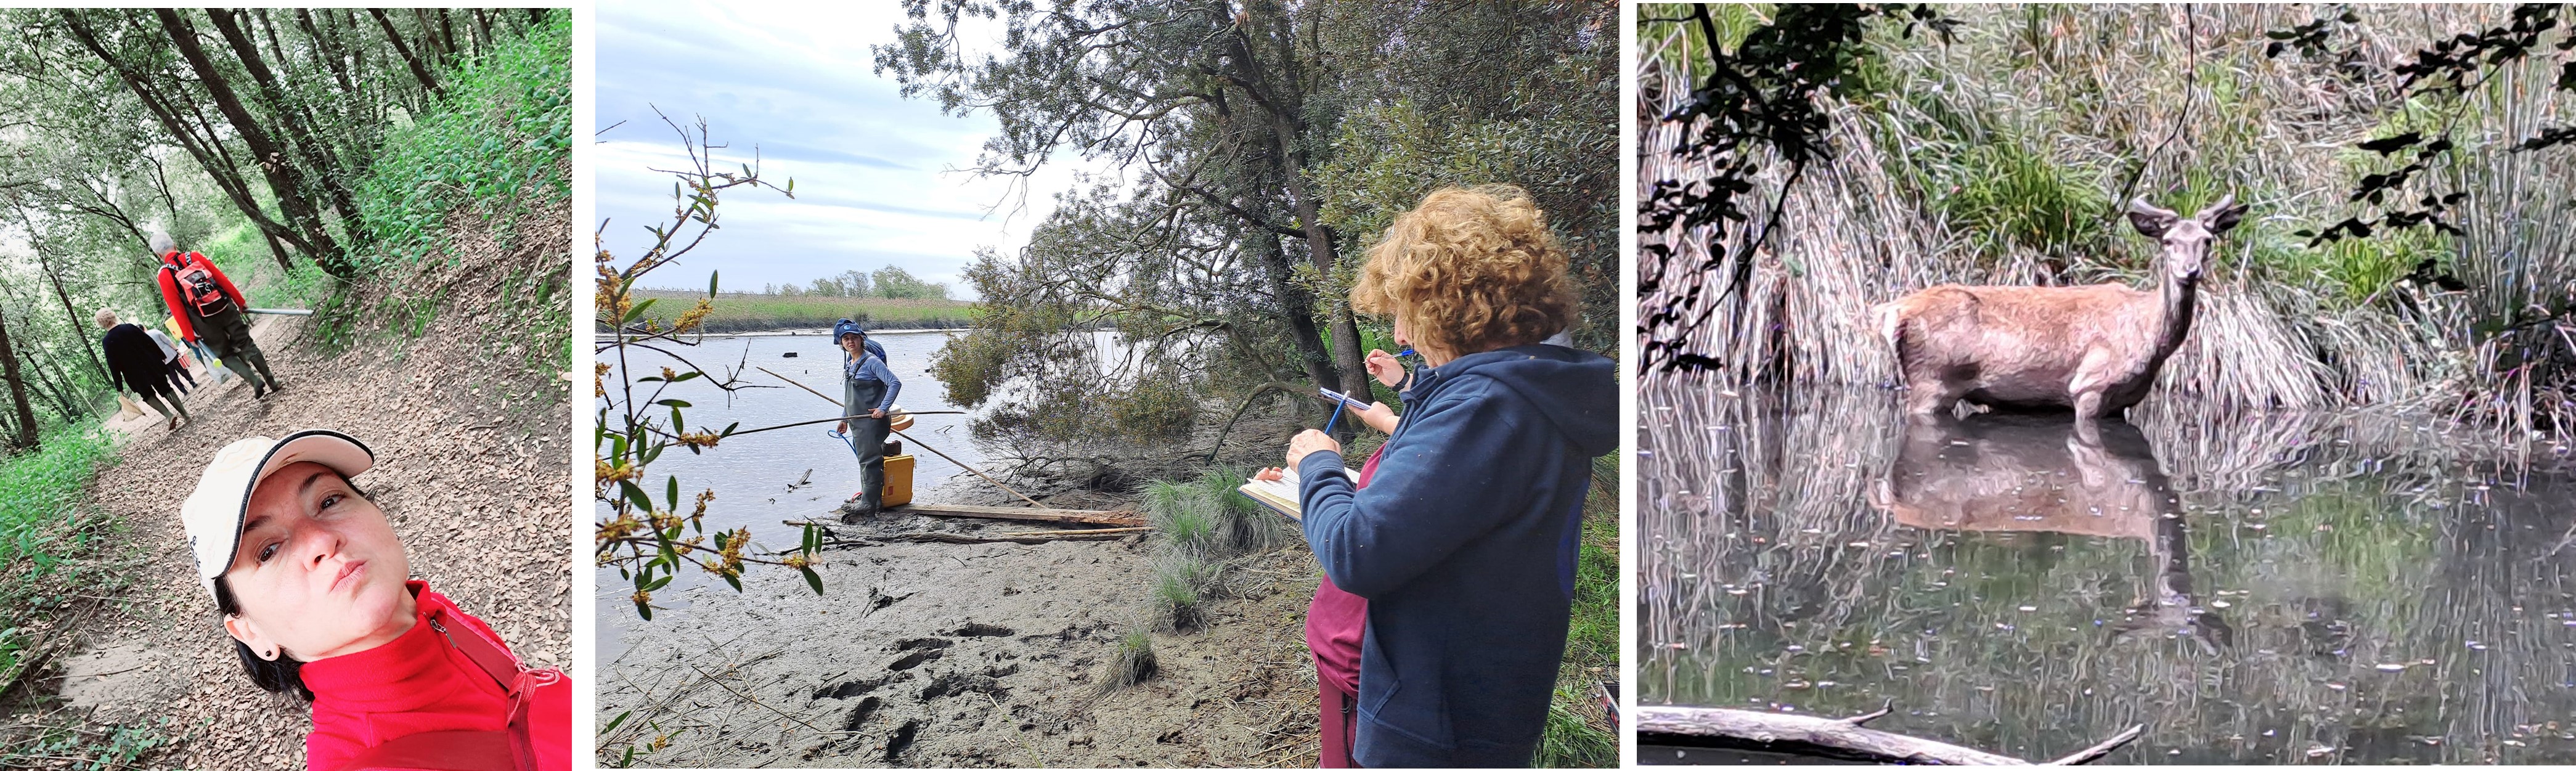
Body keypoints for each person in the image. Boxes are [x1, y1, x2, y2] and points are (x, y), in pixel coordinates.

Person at [1283, 186, 1614, 767]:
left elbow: (1358, 550)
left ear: (1451, 306)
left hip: (1438, 728)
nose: (1404, 337)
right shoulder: (1523, 394)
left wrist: (1317, 464)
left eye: (1408, 315)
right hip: (1481, 704)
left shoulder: (1489, 406)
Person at [182, 430, 571, 771]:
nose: (321, 540)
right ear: (251, 633)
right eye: (267, 551)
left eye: (329, 501)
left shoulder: (431, 613)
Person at [152, 231, 282, 399]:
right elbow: (221, 279)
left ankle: (254, 381)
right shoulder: (194, 256)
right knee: (246, 343)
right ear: (174, 245)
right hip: (225, 308)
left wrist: (190, 336)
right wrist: (240, 302)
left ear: (158, 254)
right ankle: (272, 381)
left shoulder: (164, 275)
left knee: (225, 355)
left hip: (204, 322)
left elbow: (177, 310)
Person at [835, 323, 900, 518]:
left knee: (870, 461)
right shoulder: (850, 363)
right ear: (841, 343)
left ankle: (868, 505)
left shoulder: (871, 362)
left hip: (871, 423)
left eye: (854, 338)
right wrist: (844, 418)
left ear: (861, 339)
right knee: (864, 460)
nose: (850, 342)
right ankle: (871, 498)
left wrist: (883, 408)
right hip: (856, 422)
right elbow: (850, 396)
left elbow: (895, 383)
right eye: (846, 339)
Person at [97, 309, 188, 430]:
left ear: (101, 323)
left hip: (134, 374)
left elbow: (113, 365)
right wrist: (161, 355)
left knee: (148, 396)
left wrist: (119, 387)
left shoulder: (107, 342)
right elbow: (149, 341)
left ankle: (169, 415)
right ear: (113, 316)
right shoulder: (129, 328)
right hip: (151, 364)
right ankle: (186, 415)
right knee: (165, 389)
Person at [143, 324, 197, 394]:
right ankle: (192, 382)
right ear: (145, 328)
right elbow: (168, 341)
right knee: (182, 369)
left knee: (172, 376)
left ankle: (183, 390)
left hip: (162, 360)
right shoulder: (154, 332)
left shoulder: (143, 341)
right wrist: (176, 349)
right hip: (170, 353)